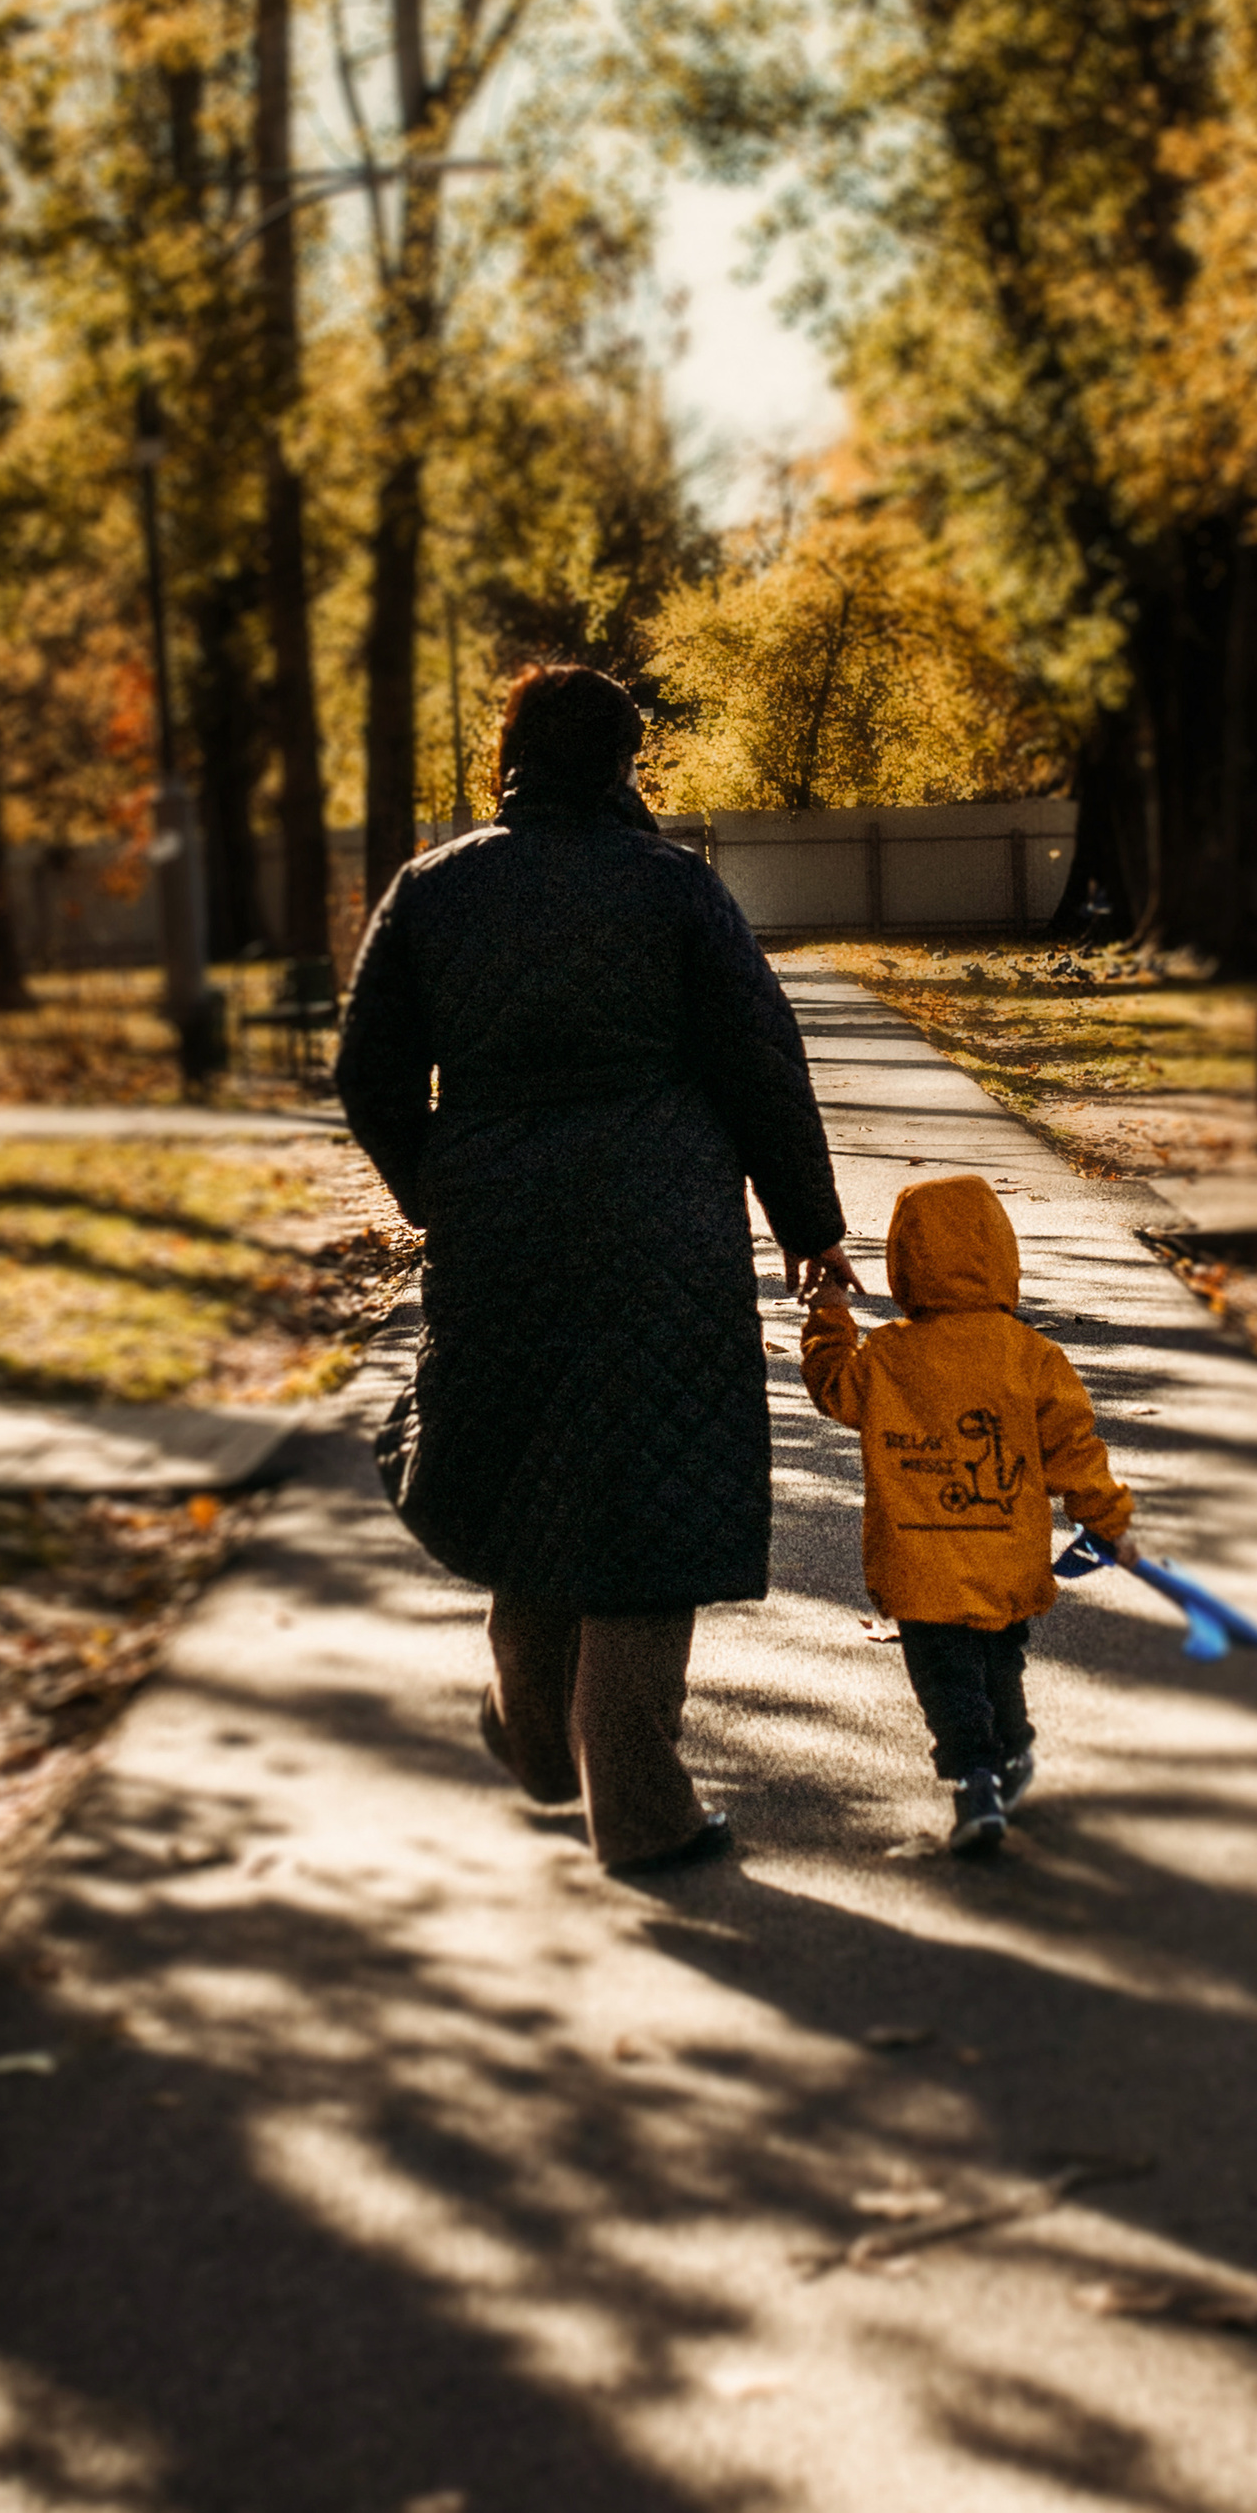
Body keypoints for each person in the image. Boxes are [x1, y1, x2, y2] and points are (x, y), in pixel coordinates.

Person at [336, 664, 856, 1878]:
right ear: (629, 759)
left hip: (498, 1224)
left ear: (509, 751)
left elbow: (368, 1075)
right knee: (647, 1497)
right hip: (661, 1223)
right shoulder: (675, 889)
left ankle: (533, 1746)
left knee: (527, 1472)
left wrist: (440, 1185)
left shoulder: (434, 888)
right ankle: (641, 1809)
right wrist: (810, 1224)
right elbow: (759, 1065)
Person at [801, 1171, 1135, 1856]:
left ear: (905, 1263)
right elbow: (1074, 1447)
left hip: (921, 1559)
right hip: (1004, 1554)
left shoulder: (890, 1356)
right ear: (1001, 1256)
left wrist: (829, 1313)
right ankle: (1011, 1750)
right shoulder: (1033, 1358)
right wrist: (1105, 1518)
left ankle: (975, 1775)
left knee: (946, 1675)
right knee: (998, 1661)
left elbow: (835, 1388)